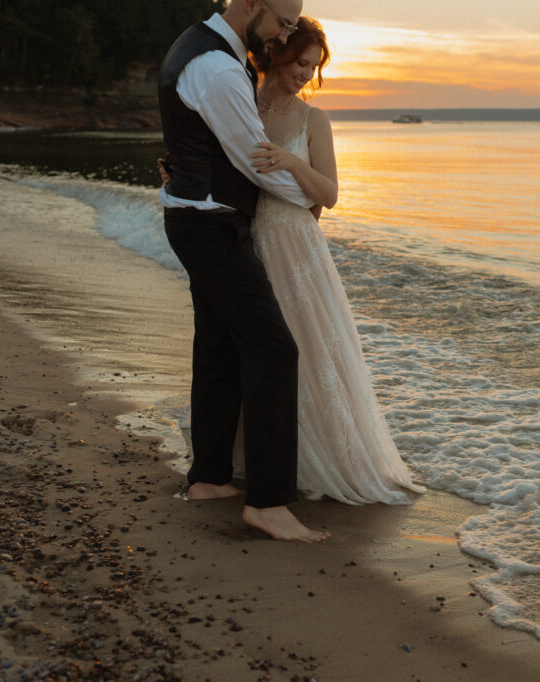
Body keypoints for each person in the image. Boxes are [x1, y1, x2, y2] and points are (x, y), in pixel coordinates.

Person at [163, 17, 423, 505]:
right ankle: (239, 465)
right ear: (277, 55)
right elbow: (216, 158)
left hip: (297, 246)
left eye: (314, 66)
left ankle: (308, 461)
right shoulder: (240, 100)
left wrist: (293, 162)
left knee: (301, 348)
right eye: (301, 61)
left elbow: (329, 195)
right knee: (247, 351)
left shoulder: (313, 120)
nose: (307, 73)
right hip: (245, 235)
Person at [158, 0, 328, 542]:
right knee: (274, 351)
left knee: (218, 348)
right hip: (213, 224)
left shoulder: (207, 50)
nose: (284, 37)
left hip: (196, 218)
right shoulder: (217, 66)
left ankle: (208, 477)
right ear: (252, 5)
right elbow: (251, 158)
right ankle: (269, 502)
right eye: (283, 23)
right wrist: (304, 200)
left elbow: (201, 143)